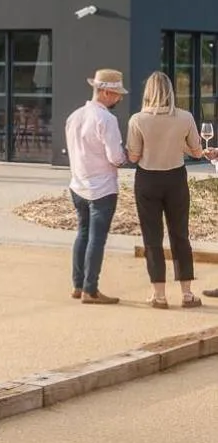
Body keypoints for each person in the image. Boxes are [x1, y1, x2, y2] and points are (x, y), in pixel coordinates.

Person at [125, 71, 205, 308]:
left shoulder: (137, 120)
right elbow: (197, 151)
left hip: (148, 179)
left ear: (148, 91)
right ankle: (187, 294)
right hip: (176, 178)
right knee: (180, 235)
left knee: (152, 238)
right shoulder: (185, 117)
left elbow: (134, 156)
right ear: (171, 90)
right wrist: (176, 142)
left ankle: (159, 295)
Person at [65, 68, 128, 305]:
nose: (119, 98)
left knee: (82, 233)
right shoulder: (107, 120)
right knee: (96, 238)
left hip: (78, 184)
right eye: (116, 94)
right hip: (102, 187)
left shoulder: (74, 116)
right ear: (104, 92)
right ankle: (90, 290)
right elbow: (116, 157)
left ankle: (78, 284)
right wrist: (127, 156)